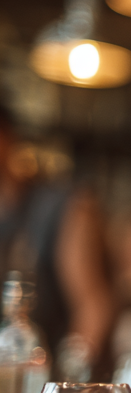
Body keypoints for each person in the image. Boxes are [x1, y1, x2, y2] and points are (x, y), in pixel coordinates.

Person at [0, 99, 114, 377]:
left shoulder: (65, 205)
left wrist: (64, 386)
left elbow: (92, 306)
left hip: (42, 385)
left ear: (8, 138)